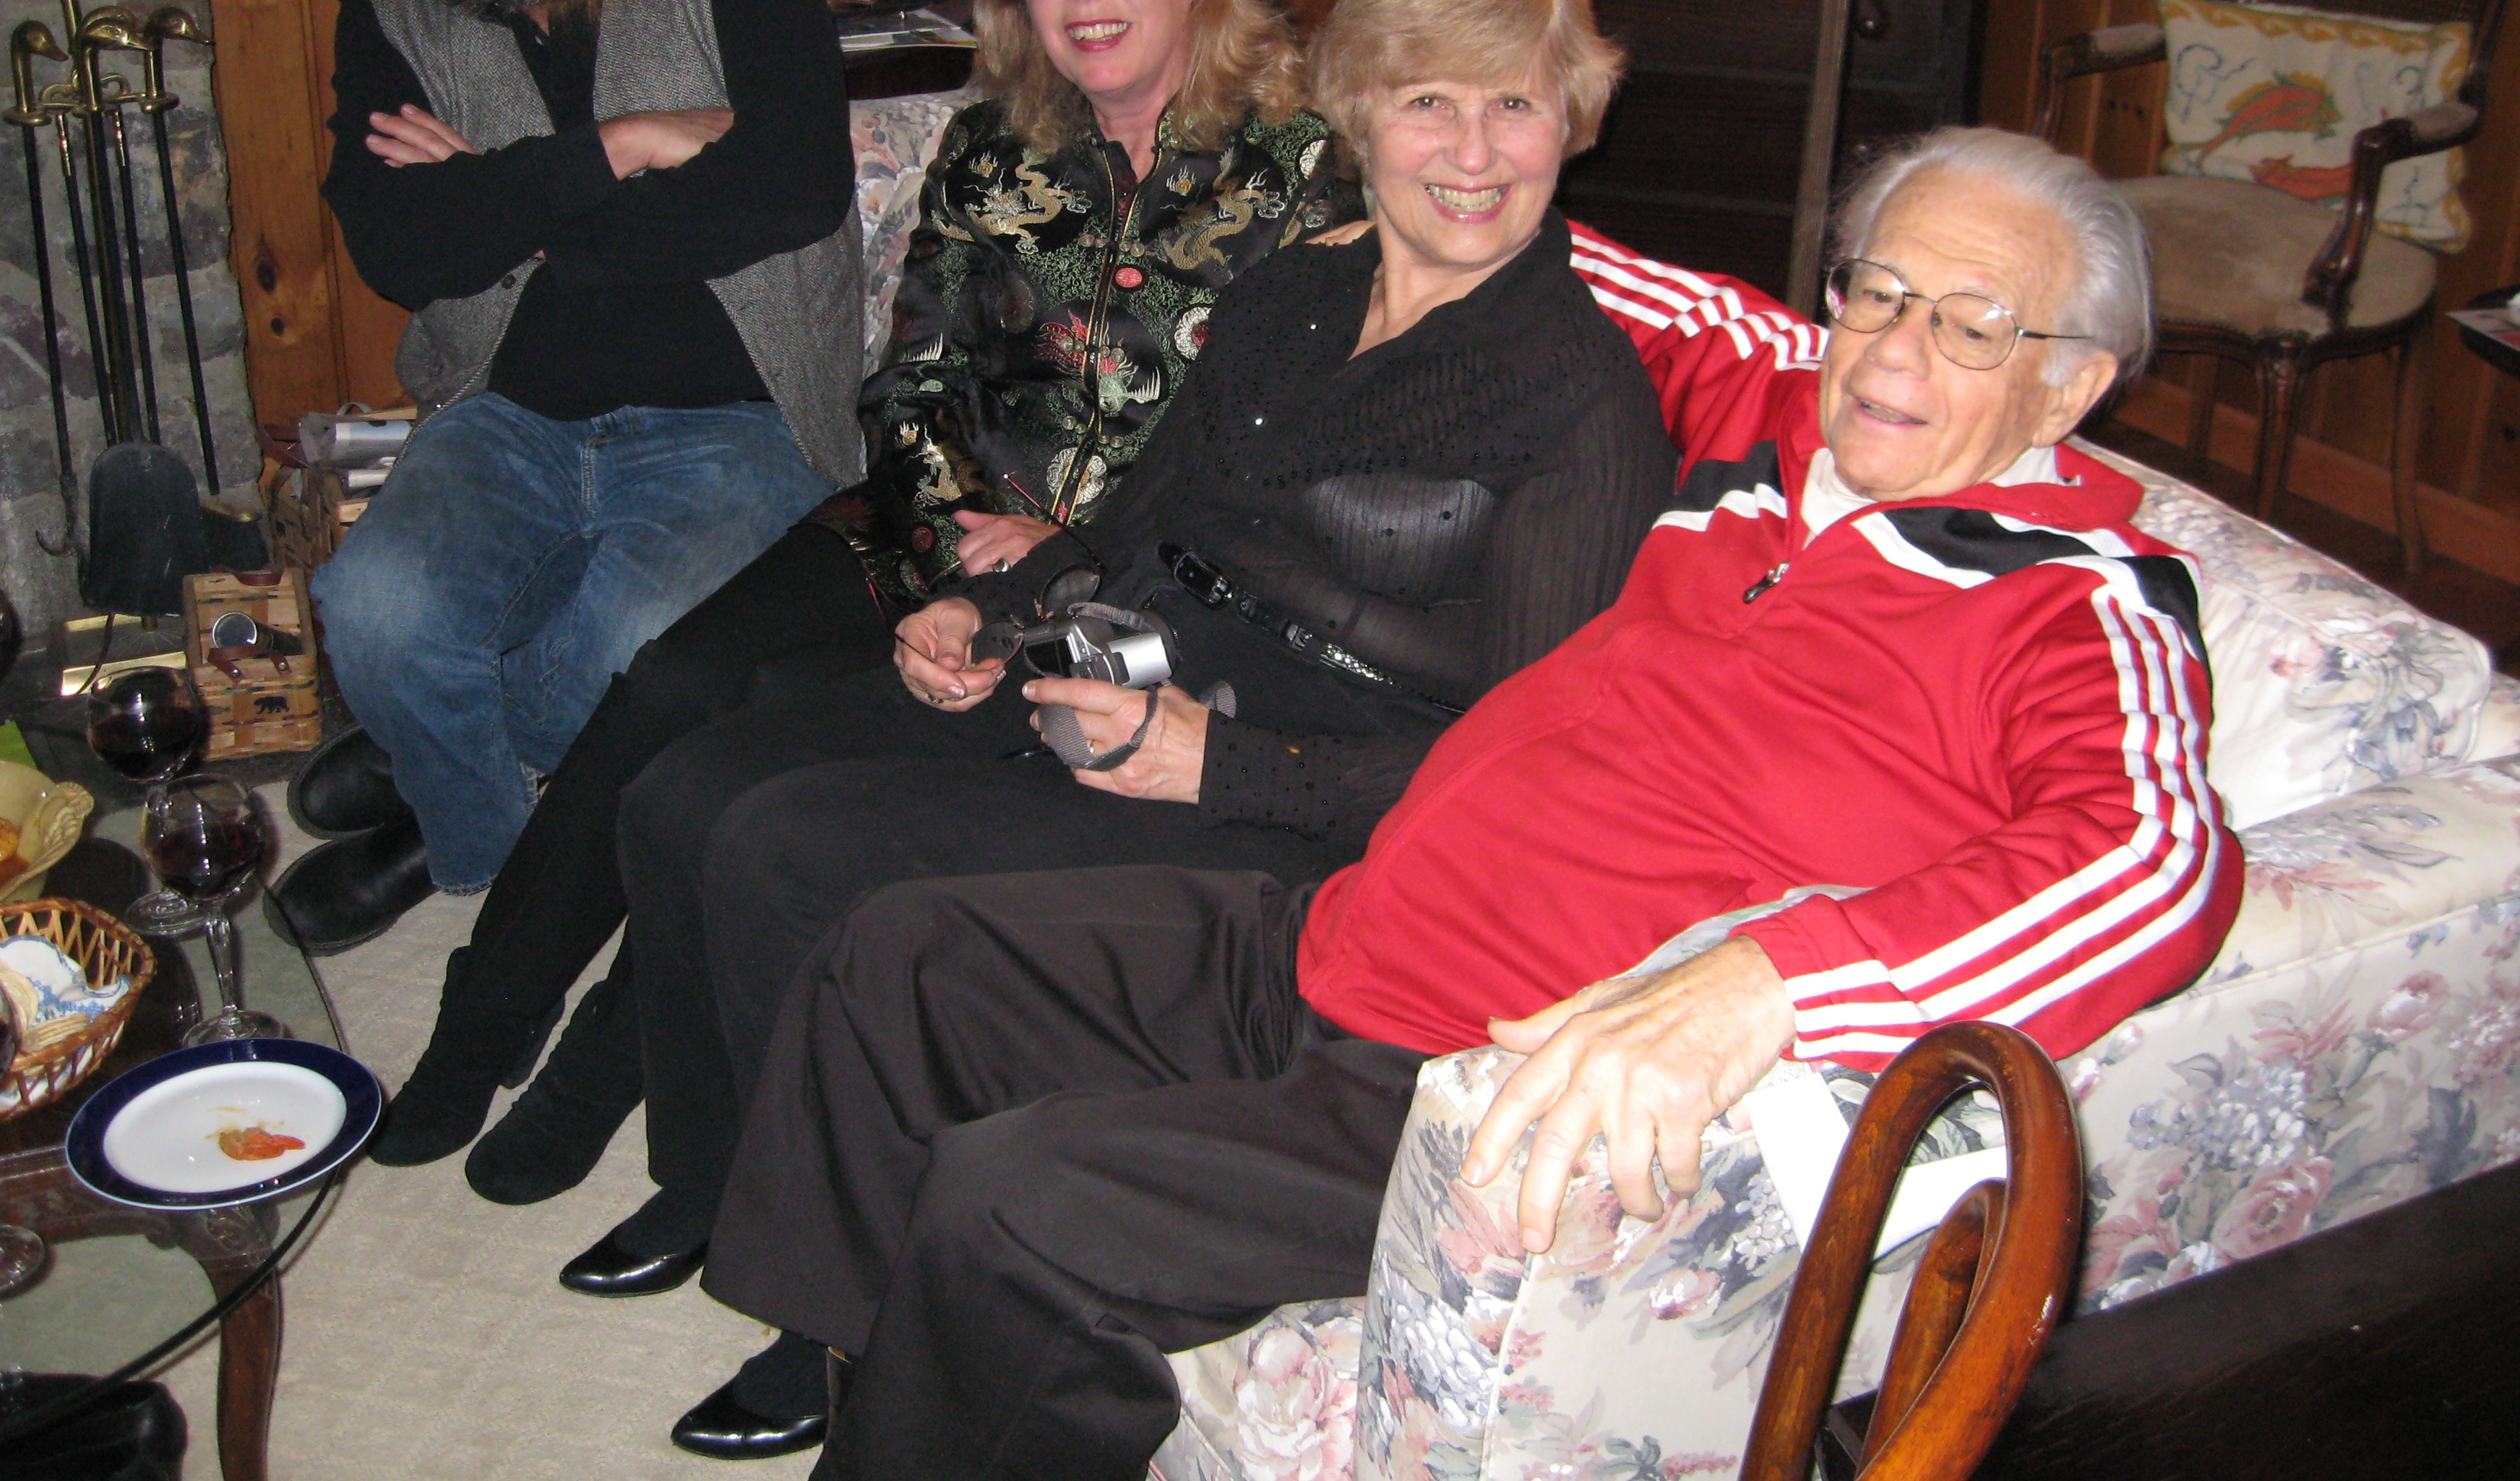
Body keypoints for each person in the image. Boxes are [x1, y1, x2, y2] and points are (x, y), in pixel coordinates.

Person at [693, 126, 2248, 1477]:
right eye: (1881, 291)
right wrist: (1403, 156)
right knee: (899, 964)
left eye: (1975, 325)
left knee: (1019, 1206)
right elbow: (1562, 243)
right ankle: (885, 1393)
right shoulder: (1789, 422)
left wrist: (1758, 992)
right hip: (1334, 936)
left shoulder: (2077, 605)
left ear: (2069, 384)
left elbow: (2155, 859)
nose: (1899, 352)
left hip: (1466, 1081)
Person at [611, 0, 1679, 1460]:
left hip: (1313, 798)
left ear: (1570, 120)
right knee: (704, 788)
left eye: (1513, 103)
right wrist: (994, 609)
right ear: (1362, 113)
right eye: (1428, 101)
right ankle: (784, 1234)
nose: (1470, 151)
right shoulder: (1296, 293)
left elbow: (1521, 774)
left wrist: (1218, 768)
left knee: (801, 855)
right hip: (1131, 653)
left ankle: (843, 1331)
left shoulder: (1579, 400)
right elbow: (1142, 512)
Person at [367, 0, 1354, 1187]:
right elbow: (914, 372)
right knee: (669, 683)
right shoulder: (996, 145)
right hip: (923, 526)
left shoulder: (1310, 175)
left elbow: (1277, 451)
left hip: (1127, 589)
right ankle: (484, 1017)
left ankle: (615, 1050)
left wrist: (1065, 552)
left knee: (773, 742)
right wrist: (950, 537)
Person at [278, 0, 862, 953]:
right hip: (509, 408)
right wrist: (628, 146)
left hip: (743, 412)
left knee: (622, 644)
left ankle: (442, 789)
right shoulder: (391, 2)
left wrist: (511, 199)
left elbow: (793, 186)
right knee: (370, 611)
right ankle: (481, 834)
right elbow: (401, 249)